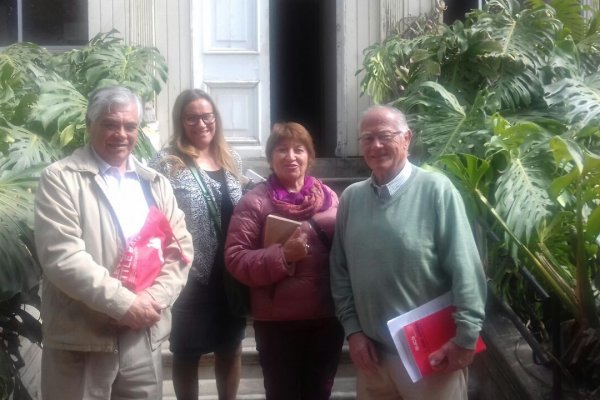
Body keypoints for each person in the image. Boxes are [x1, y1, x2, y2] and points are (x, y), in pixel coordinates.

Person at [34, 86, 194, 399]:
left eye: (130, 126)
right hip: (82, 341)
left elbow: (180, 248)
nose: (121, 134)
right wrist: (124, 304)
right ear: (89, 124)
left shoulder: (154, 183)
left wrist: (153, 300)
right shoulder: (60, 178)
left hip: (142, 340)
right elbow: (62, 257)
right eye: (110, 124)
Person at [329, 105, 487, 400]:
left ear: (407, 138)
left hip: (432, 359)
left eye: (385, 136)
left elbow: (466, 268)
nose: (376, 145)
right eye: (367, 138)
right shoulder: (351, 199)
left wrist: (466, 337)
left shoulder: (436, 191)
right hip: (373, 360)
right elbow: (340, 272)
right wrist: (354, 332)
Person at [225, 122, 344, 400]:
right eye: (282, 150)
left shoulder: (329, 198)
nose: (291, 156)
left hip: (326, 318)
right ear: (270, 158)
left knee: (319, 393)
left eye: (298, 149)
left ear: (309, 157)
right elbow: (235, 258)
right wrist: (283, 256)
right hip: (277, 323)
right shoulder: (254, 202)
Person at [149, 89, 246, 400]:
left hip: (229, 275)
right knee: (186, 353)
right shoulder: (167, 162)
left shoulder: (231, 158)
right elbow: (153, 217)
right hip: (188, 274)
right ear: (180, 121)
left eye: (207, 116)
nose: (201, 124)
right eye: (191, 118)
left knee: (230, 348)